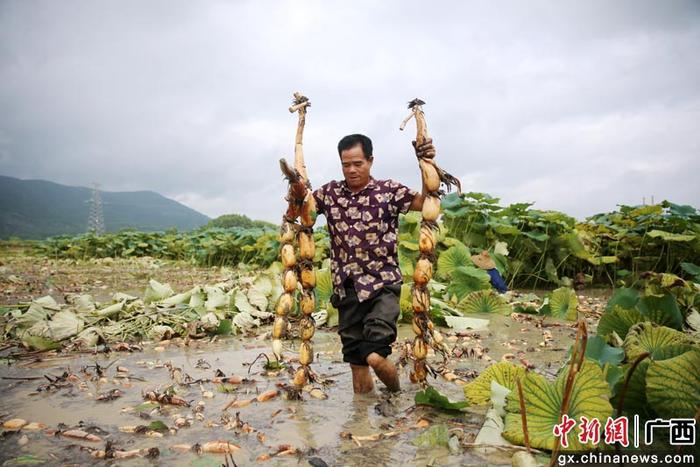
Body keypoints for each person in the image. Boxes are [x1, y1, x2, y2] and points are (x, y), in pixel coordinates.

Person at [312, 133, 434, 394]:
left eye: (358, 163)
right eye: (346, 165)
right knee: (357, 363)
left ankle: (396, 396)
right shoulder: (329, 193)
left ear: (370, 160)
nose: (352, 170)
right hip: (347, 287)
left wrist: (426, 163)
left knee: (375, 355)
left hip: (383, 285)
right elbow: (302, 209)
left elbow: (426, 203)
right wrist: (295, 181)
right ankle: (362, 422)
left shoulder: (389, 191)